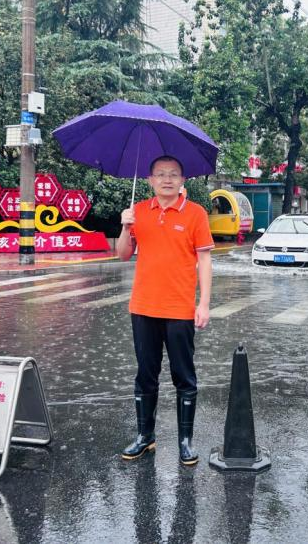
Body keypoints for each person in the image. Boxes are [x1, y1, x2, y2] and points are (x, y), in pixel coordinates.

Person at [117, 156, 213, 466]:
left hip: (179, 309)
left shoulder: (196, 213)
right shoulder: (138, 212)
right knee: (146, 375)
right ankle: (145, 436)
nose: (167, 179)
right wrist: (125, 227)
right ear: (150, 180)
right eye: (160, 174)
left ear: (183, 179)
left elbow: (205, 260)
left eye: (173, 174)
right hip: (143, 306)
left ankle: (185, 441)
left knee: (184, 376)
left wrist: (204, 303)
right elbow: (122, 255)